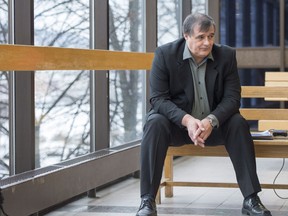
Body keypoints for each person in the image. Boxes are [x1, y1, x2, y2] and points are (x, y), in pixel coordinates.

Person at [136, 13, 272, 216]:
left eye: (211, 36)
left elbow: (233, 99)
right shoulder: (165, 55)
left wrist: (211, 120)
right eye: (200, 37)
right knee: (154, 122)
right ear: (186, 36)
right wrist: (188, 120)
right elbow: (158, 99)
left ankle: (251, 198)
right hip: (178, 128)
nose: (207, 42)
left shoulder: (226, 56)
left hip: (214, 128)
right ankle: (147, 200)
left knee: (238, 123)